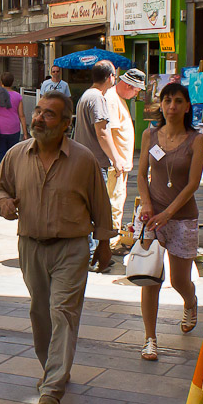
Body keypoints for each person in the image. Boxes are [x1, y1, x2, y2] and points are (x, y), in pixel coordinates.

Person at [0, 91, 113, 404]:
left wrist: (103, 243)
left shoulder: (83, 159)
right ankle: (53, 368)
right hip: (30, 245)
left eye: (49, 114)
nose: (39, 118)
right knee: (40, 313)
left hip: (71, 248)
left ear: (66, 124)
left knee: (63, 312)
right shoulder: (17, 154)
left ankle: (52, 387)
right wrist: (3, 203)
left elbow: (101, 203)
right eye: (38, 112)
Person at [137, 83, 203, 362]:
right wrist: (147, 204)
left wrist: (168, 213)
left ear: (187, 106)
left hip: (182, 217)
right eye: (167, 100)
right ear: (161, 105)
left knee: (179, 280)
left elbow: (192, 184)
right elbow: (141, 175)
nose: (172, 106)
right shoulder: (150, 135)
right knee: (150, 278)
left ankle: (190, 300)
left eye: (178, 101)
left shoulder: (196, 140)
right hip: (152, 216)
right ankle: (150, 339)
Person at [71, 60, 114, 269]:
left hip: (84, 161)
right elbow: (102, 131)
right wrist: (116, 158)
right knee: (97, 210)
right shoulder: (97, 98)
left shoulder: (86, 96)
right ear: (110, 77)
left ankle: (90, 253)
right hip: (95, 163)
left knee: (89, 209)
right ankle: (91, 255)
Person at [104, 68, 145, 252]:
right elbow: (108, 133)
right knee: (114, 203)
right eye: (136, 91)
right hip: (116, 163)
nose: (136, 95)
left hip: (119, 162)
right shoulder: (112, 99)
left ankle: (112, 239)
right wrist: (116, 160)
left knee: (118, 201)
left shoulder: (118, 98)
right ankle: (111, 243)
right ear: (129, 86)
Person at [0, 72, 27, 168]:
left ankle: (0, 176)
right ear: (12, 82)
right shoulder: (18, 96)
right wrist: (25, 133)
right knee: (13, 156)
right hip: (14, 128)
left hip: (0, 129)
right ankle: (11, 175)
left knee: (0, 156)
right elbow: (21, 115)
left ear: (1, 82)